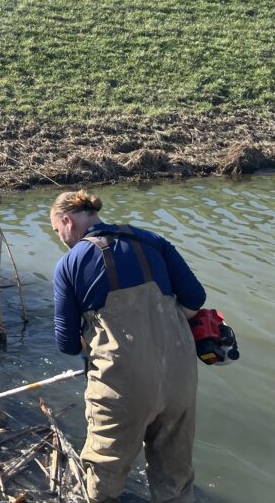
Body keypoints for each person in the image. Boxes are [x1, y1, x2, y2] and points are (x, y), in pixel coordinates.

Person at [50, 190, 206, 503]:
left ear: (66, 221)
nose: (60, 238)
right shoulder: (153, 240)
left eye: (56, 231)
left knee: (104, 479)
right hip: (180, 377)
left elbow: (67, 343)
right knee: (175, 480)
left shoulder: (70, 263)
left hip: (122, 386)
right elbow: (195, 301)